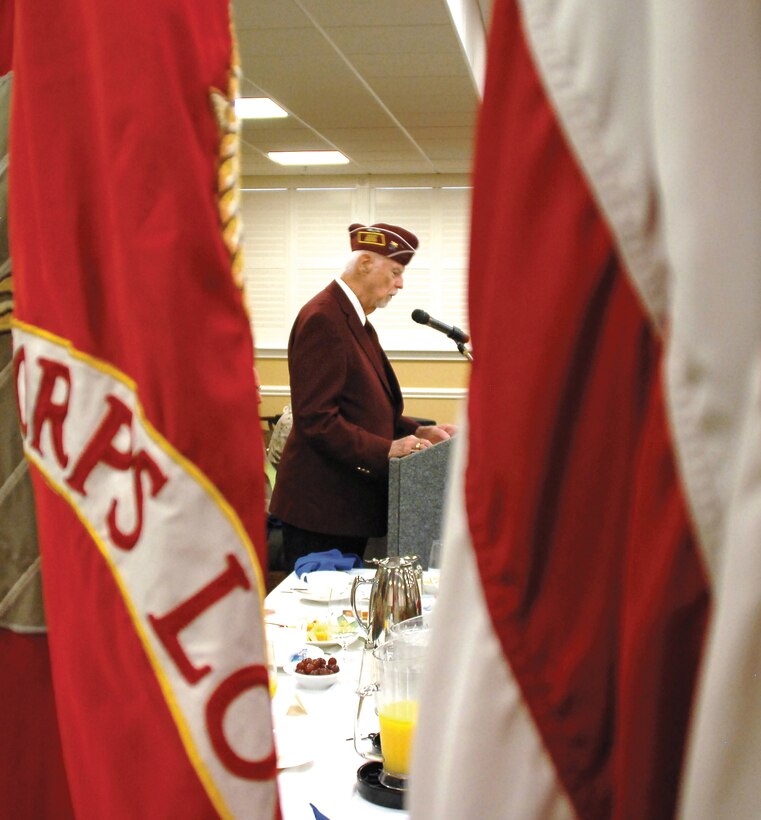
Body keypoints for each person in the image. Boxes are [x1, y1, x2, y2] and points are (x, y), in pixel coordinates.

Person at [269, 222, 457, 571]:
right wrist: (386, 448)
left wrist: (416, 432)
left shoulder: (353, 318)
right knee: (318, 619)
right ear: (366, 263)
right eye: (396, 272)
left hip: (341, 507)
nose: (401, 284)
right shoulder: (324, 318)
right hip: (321, 512)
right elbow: (317, 420)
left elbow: (363, 407)